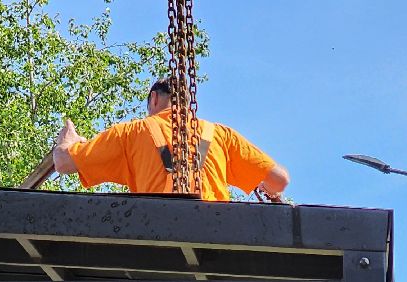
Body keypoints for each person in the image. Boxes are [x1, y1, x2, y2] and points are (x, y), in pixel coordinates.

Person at [52, 78, 290, 203]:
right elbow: (279, 181)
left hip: (157, 235)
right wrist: (261, 184)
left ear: (154, 98)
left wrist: (68, 141)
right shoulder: (220, 134)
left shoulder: (130, 132)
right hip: (217, 237)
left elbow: (63, 163)